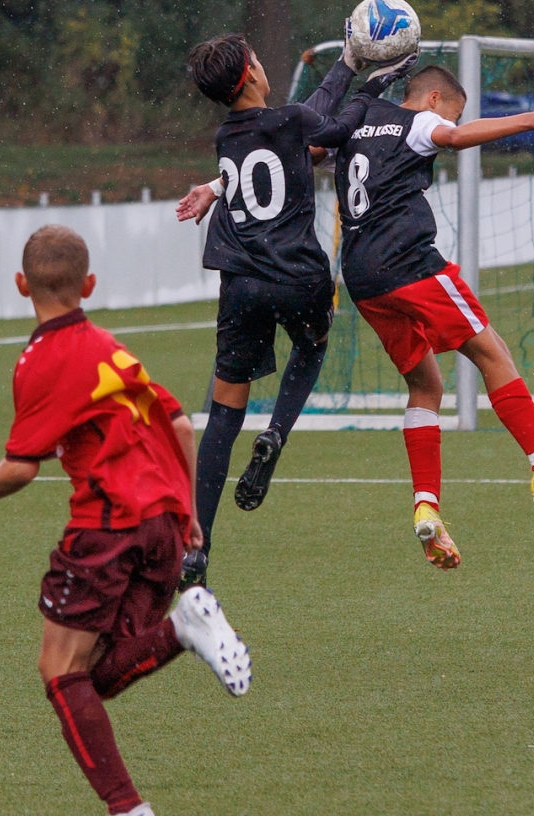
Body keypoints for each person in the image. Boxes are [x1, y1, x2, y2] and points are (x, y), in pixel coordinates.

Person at [0, 224, 251, 816]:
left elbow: (20, 467)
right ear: (89, 285)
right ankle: (182, 629)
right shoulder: (113, 348)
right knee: (96, 675)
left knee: (59, 672)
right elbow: (181, 426)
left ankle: (127, 808)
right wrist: (187, 513)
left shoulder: (40, 360)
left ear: (20, 284)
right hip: (164, 526)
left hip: (108, 526)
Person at [329, 63, 534, 568]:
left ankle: (426, 506)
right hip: (409, 263)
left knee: (425, 386)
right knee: (492, 352)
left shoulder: (358, 121)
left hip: (362, 277)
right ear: (434, 98)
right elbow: (452, 137)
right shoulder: (420, 121)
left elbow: (311, 150)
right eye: (452, 111)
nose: (449, 122)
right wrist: (530, 119)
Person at [176, 32, 416, 589]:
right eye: (259, 59)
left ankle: (196, 551)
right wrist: (373, 85)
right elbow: (333, 128)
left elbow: (303, 124)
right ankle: (276, 434)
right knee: (311, 347)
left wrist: (347, 62)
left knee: (222, 416)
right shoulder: (287, 121)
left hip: (241, 283)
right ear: (251, 74)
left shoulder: (227, 135)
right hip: (298, 277)